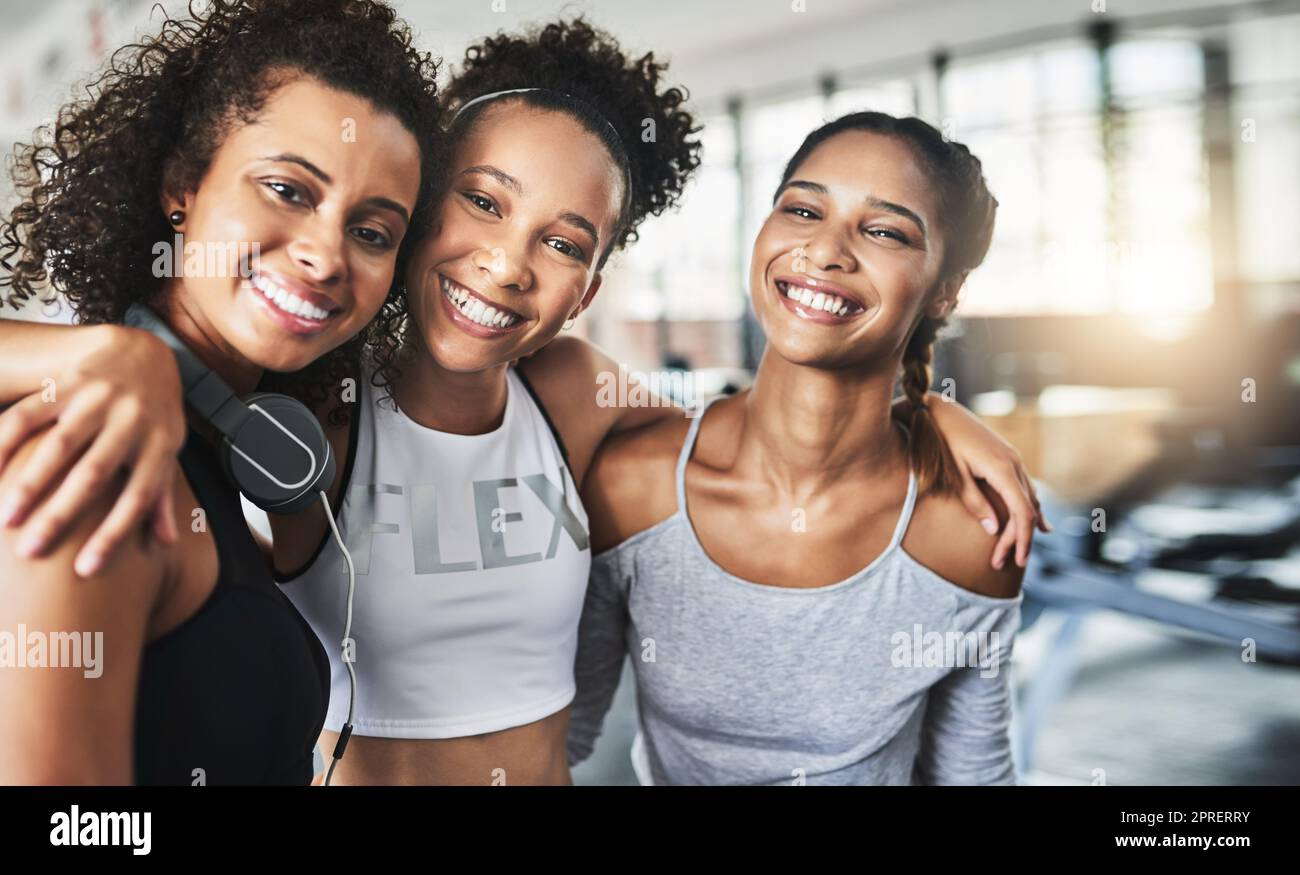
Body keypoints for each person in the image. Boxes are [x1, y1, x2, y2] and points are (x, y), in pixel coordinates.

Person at [0, 23, 1045, 784]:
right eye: (484, 203)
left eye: (563, 241)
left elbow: (765, 436)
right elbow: (186, 356)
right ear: (417, 220)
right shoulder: (306, 401)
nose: (505, 263)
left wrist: (929, 414)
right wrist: (97, 355)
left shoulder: (572, 393)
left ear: (587, 288)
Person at [0, 0, 439, 784]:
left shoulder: (206, 451)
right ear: (183, 186)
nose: (324, 255)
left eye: (372, 232)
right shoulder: (99, 473)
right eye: (288, 189)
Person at [568, 111, 1027, 785]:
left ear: (944, 291)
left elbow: (973, 777)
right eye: (805, 210)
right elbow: (548, 738)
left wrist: (930, 408)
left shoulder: (968, 526)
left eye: (885, 230)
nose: (827, 250)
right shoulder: (630, 487)